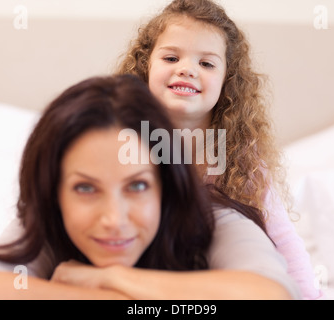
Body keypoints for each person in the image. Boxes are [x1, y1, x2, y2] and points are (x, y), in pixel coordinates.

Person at [0, 74, 299, 300]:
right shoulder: (49, 223)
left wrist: (106, 278)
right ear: (54, 192)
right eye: (85, 189)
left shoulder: (212, 220)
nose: (114, 219)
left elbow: (271, 295)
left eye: (137, 186)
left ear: (167, 185)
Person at [115, 0, 321, 299]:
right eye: (171, 58)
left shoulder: (238, 157)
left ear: (227, 82)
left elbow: (284, 241)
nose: (186, 69)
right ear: (146, 65)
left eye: (206, 63)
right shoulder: (121, 140)